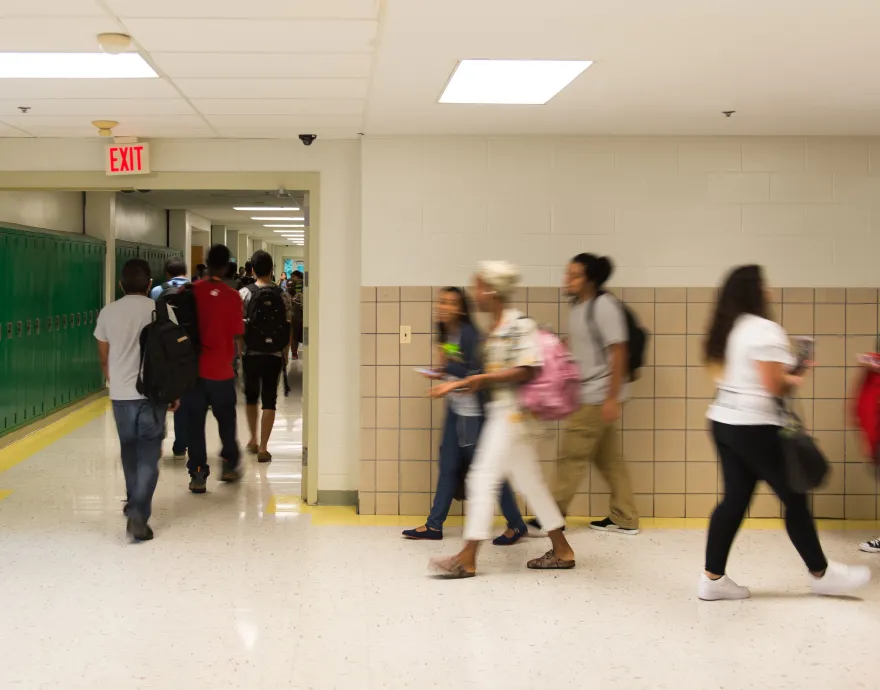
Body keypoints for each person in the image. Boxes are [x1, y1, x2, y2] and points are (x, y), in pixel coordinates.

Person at [699, 264, 871, 600]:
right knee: (794, 497)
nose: (769, 289)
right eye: (764, 284)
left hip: (722, 421)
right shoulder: (765, 330)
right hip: (754, 426)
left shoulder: (731, 329)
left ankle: (713, 579)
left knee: (734, 499)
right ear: (754, 290)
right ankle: (821, 574)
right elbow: (774, 386)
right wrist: (798, 374)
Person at [428, 261, 575, 578]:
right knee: (530, 484)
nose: (474, 292)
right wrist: (460, 381)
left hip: (512, 413)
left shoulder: (518, 325)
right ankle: (562, 549)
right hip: (502, 412)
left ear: (492, 290)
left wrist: (481, 379)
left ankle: (467, 557)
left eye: (478, 285)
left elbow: (529, 368)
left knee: (481, 478)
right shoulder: (493, 329)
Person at [402, 287, 528, 544]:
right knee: (447, 467)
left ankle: (516, 524)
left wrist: (449, 384)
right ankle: (434, 525)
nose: (443, 307)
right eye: (442, 302)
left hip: (472, 417)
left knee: (488, 471)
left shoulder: (471, 335)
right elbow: (455, 365)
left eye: (450, 303)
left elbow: (476, 378)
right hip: (455, 413)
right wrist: (441, 372)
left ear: (460, 308)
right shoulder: (451, 333)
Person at [532, 254, 640, 536]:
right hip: (590, 392)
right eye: (567, 274)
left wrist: (612, 398)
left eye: (574, 275)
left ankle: (551, 517)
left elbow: (619, 351)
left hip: (597, 394)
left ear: (590, 280)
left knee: (570, 457)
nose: (567, 280)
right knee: (609, 459)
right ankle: (625, 517)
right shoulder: (579, 307)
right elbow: (582, 345)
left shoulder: (603, 306)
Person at [95, 259, 176, 541]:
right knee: (149, 455)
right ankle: (139, 512)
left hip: (121, 397)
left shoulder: (108, 312)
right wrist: (172, 393)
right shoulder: (162, 310)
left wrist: (115, 381)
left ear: (121, 284)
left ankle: (134, 503)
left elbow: (104, 358)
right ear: (149, 284)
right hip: (152, 395)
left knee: (129, 450)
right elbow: (173, 357)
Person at [182, 244, 244, 493]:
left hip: (194, 372)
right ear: (227, 267)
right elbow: (237, 334)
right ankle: (229, 464)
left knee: (194, 424)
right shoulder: (232, 296)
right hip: (221, 371)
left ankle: (198, 473)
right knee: (226, 421)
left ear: (206, 263)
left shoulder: (190, 292)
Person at [240, 250, 292, 462]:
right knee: (269, 400)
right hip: (274, 355)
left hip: (250, 353)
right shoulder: (283, 296)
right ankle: (263, 447)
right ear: (272, 270)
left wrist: (239, 351)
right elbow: (288, 327)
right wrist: (285, 353)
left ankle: (252, 438)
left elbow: (237, 327)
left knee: (251, 397)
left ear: (252, 270)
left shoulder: (244, 294)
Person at [149, 257, 190, 461]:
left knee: (161, 393)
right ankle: (181, 444)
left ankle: (157, 438)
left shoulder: (157, 291)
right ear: (186, 271)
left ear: (167, 273)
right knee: (184, 394)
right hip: (186, 350)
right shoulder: (194, 290)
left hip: (163, 349)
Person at [288, 271, 304, 360]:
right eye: (288, 286)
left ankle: (294, 352)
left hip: (297, 318)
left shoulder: (299, 294)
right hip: (288, 318)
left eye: (291, 285)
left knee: (296, 336)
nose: (290, 287)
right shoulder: (285, 295)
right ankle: (291, 351)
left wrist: (295, 302)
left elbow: (302, 304)